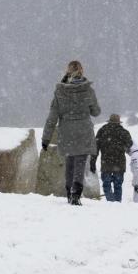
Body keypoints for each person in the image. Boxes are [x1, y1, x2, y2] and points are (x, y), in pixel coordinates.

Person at [41, 60, 101, 206]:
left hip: (67, 131)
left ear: (67, 71)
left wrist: (46, 138)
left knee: (70, 161)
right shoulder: (88, 90)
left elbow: (52, 117)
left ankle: (69, 192)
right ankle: (76, 192)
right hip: (84, 130)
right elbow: (96, 112)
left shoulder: (60, 91)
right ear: (82, 71)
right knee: (80, 161)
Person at [93, 113, 132, 202]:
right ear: (119, 122)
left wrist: (93, 161)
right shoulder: (124, 132)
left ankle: (110, 202)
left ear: (109, 121)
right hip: (119, 163)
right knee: (118, 185)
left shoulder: (102, 130)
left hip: (106, 162)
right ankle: (117, 203)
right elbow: (129, 144)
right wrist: (121, 147)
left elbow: (96, 147)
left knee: (106, 184)